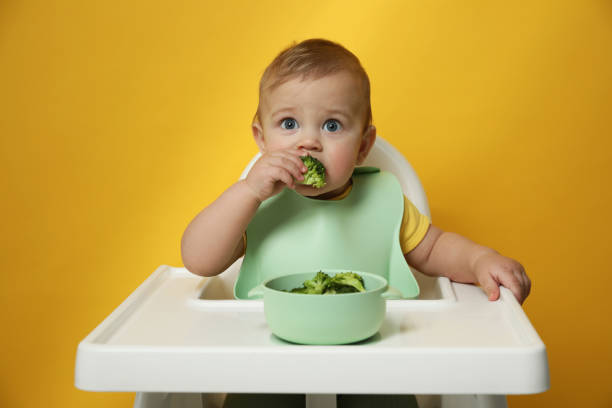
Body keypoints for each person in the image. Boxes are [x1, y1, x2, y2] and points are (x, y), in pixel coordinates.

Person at [181, 38, 531, 306]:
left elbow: (436, 247)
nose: (309, 142)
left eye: (332, 125)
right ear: (262, 139)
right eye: (289, 123)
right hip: (270, 353)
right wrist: (247, 192)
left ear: (364, 146)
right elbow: (199, 261)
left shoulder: (384, 202)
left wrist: (480, 259)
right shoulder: (252, 207)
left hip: (373, 351)